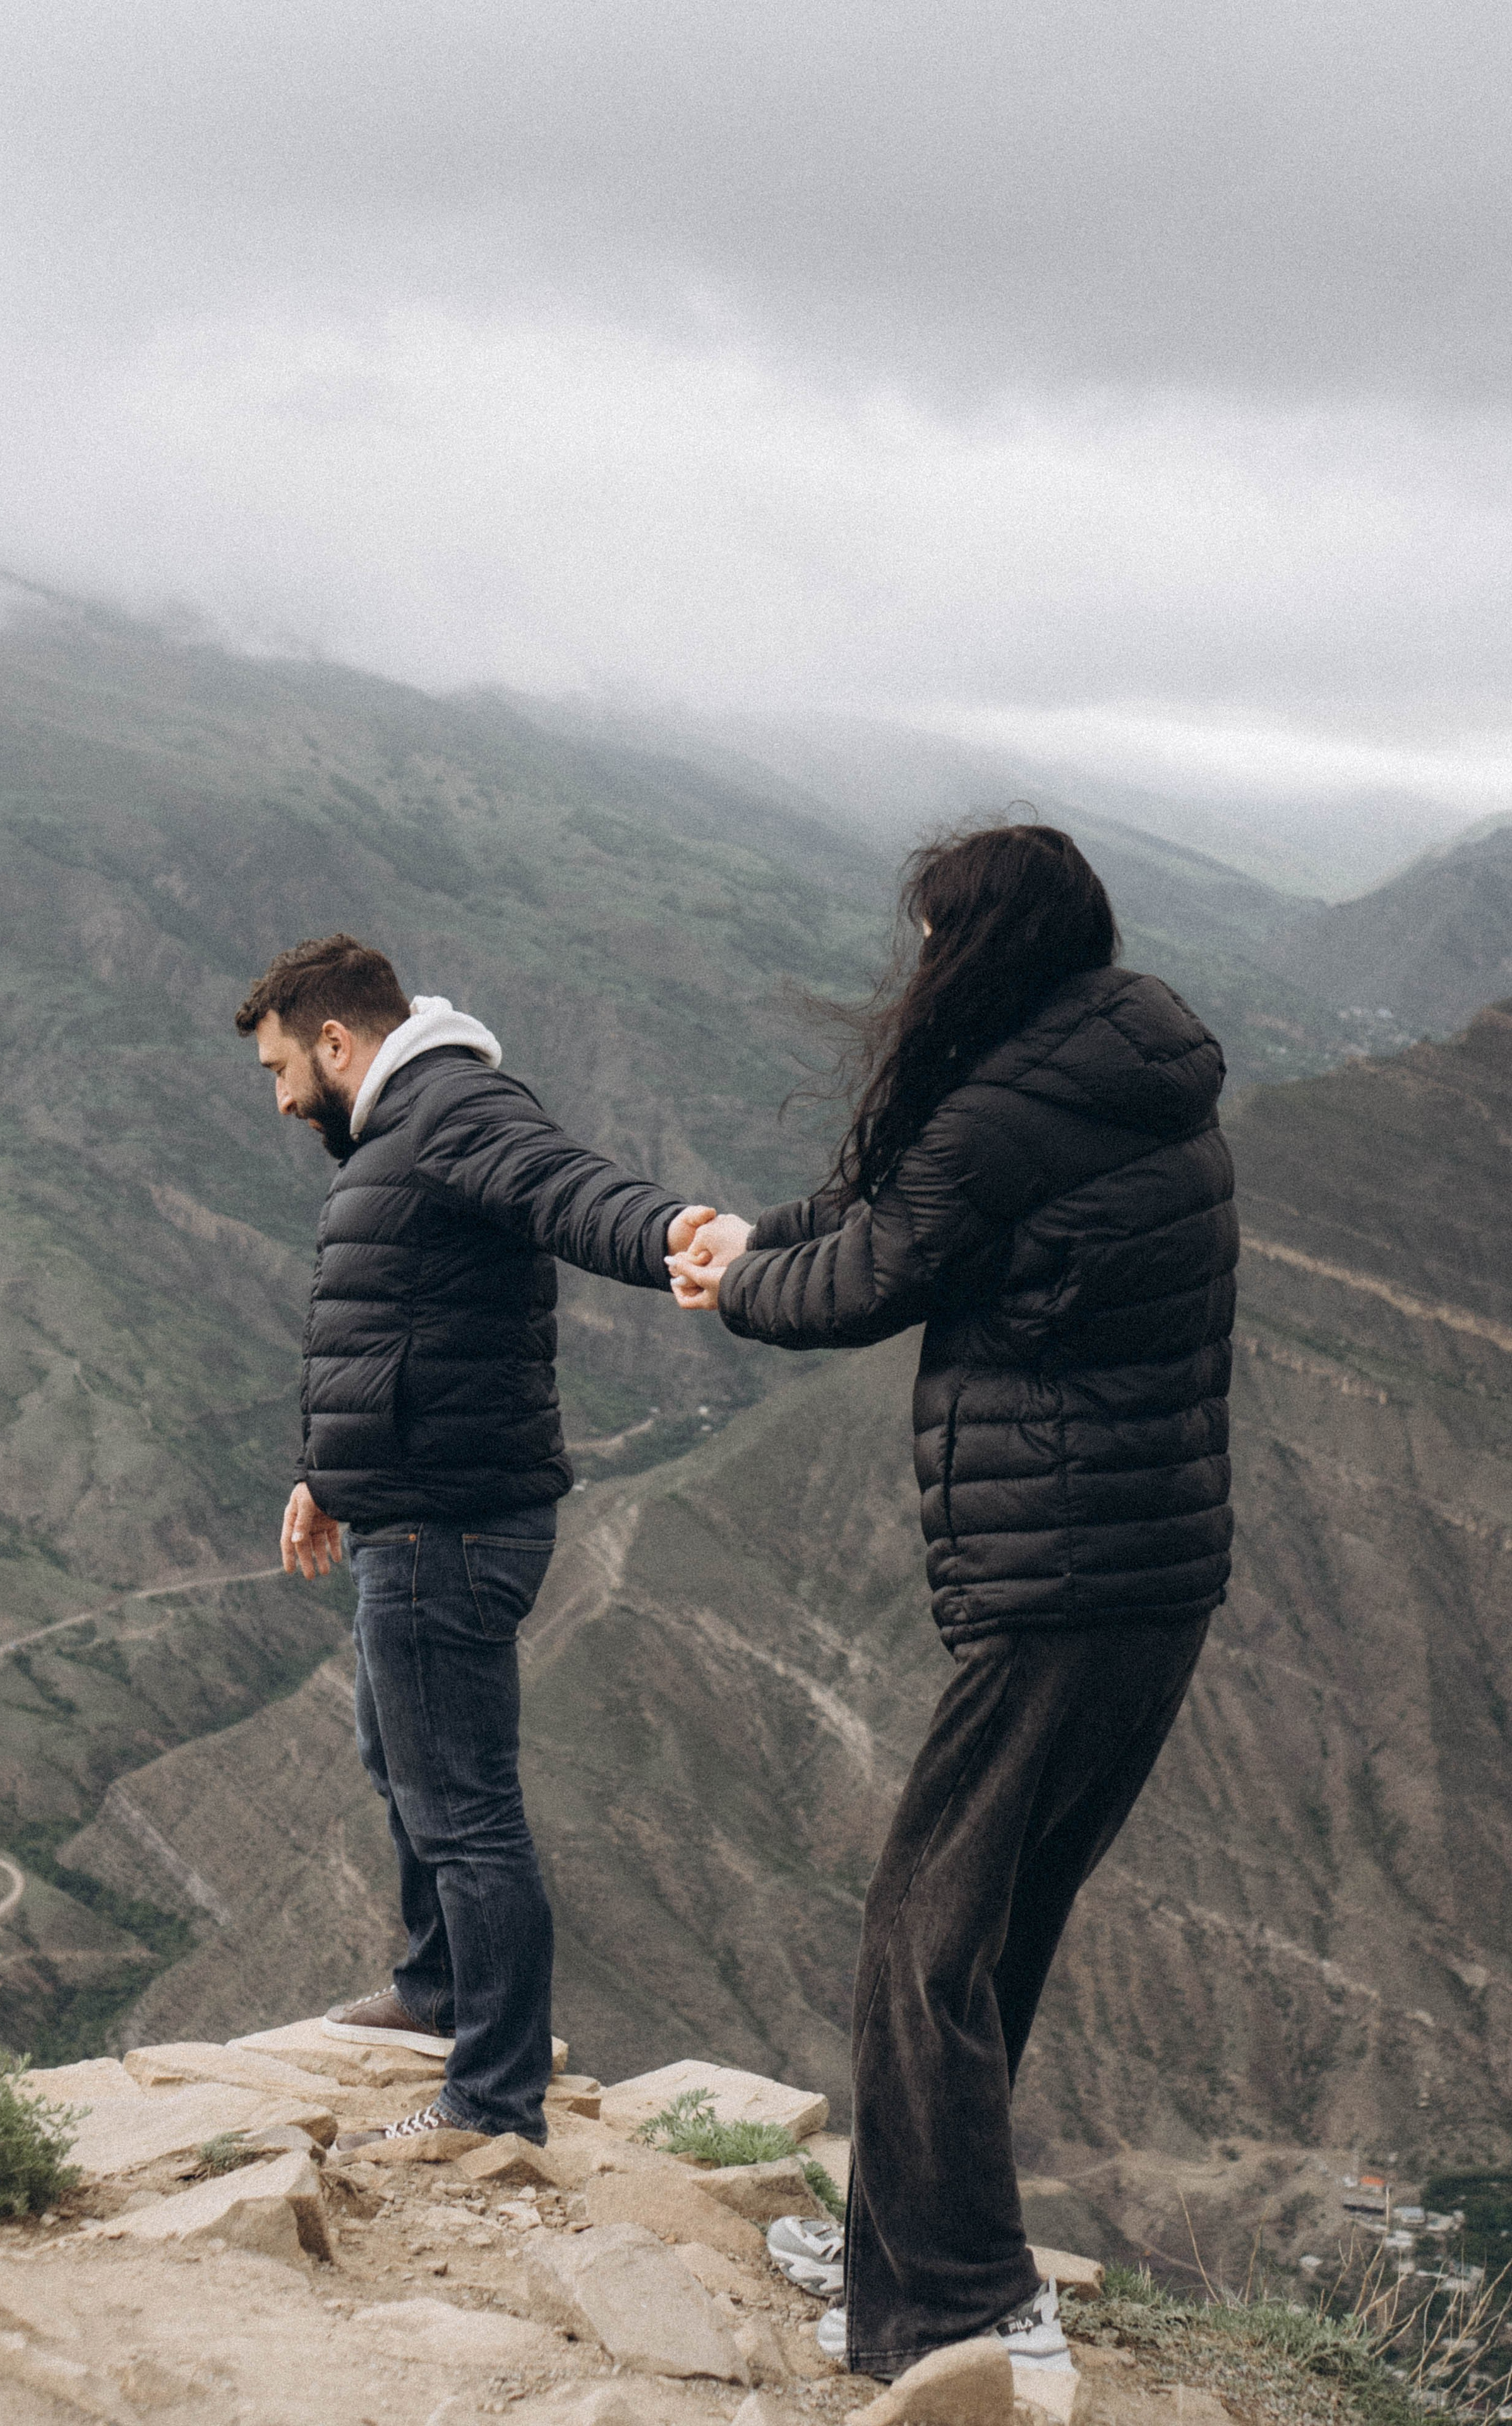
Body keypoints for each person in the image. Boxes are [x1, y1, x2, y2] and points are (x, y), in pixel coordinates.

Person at [669, 824, 1236, 2382]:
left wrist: (732, 1285)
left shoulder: (1005, 1110)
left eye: (930, 935)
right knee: (989, 1932)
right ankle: (902, 2256)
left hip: (1057, 1581)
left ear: (975, 947)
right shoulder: (1114, 1072)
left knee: (920, 1939)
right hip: (1152, 1576)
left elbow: (868, 1278)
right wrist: (755, 1228)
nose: (914, 964)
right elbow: (879, 1202)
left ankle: (973, 2306)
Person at [236, 933, 715, 2148]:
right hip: (409, 1505)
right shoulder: (406, 1126)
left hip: (448, 1527)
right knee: (397, 1755)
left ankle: (491, 2103)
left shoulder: (452, 1110)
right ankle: (438, 1987)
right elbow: (385, 1315)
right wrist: (324, 1476)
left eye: (284, 1067)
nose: (283, 1098)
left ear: (336, 1043)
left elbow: (571, 1191)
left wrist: (673, 1235)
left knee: (464, 1811)